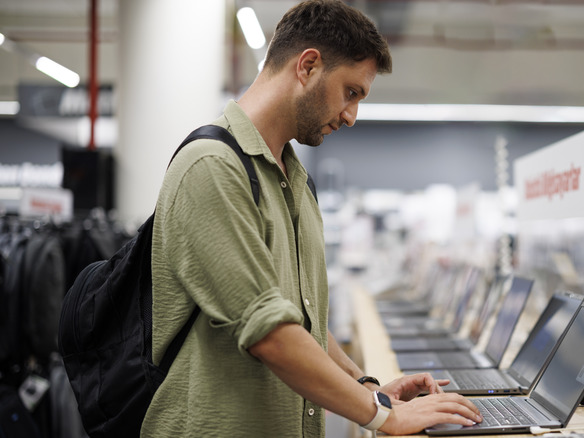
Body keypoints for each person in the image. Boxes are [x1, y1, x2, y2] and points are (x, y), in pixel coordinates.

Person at [143, 0, 482, 436]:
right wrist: (385, 416)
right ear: (308, 66)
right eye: (351, 92)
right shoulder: (212, 166)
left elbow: (302, 325)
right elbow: (270, 333)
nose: (351, 116)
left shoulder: (296, 182)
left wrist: (369, 388)